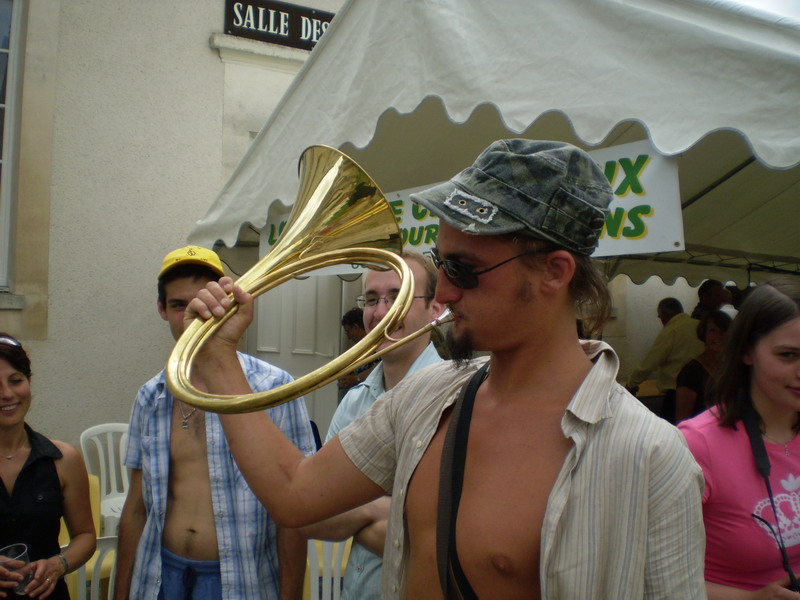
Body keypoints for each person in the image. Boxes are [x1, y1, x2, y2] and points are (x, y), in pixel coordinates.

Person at [186, 140, 705, 598]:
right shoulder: (426, 397)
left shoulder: (651, 457)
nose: (445, 291)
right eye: (442, 262)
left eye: (464, 270)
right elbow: (296, 495)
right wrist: (218, 357)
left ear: (554, 271)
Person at [113, 246, 316, 600]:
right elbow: (136, 508)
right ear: (162, 310)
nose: (194, 314)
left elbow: (294, 514)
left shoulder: (274, 388)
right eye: (179, 305)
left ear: (226, 304)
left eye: (205, 301)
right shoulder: (150, 395)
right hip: (161, 575)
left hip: (240, 581)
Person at [300, 251, 444, 599]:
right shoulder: (353, 402)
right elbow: (310, 515)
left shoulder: (457, 399)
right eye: (372, 299)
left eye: (399, 297)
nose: (381, 313)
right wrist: (383, 508)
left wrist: (350, 510)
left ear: (436, 309)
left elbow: (441, 543)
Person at [679, 279, 800, 598]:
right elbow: (649, 572)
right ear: (746, 351)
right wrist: (750, 599)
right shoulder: (696, 445)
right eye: (788, 355)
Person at [0, 334, 96, 599]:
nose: (7, 394)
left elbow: (85, 535)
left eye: (16, 380)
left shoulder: (62, 459)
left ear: (28, 383)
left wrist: (58, 564)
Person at [627, 297, 705, 423]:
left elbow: (649, 363)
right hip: (703, 392)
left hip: (676, 395)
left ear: (664, 314)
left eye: (660, 317)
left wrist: (631, 384)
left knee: (675, 434)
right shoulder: (699, 325)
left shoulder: (671, 330)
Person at [674, 309, 732, 422]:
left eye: (723, 331)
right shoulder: (691, 372)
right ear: (703, 334)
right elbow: (682, 420)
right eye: (712, 331)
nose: (719, 336)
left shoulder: (734, 368)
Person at [336, 308, 377, 393]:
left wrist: (356, 379)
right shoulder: (359, 348)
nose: (348, 337)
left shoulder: (377, 344)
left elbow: (381, 367)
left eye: (348, 331)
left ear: (356, 327)